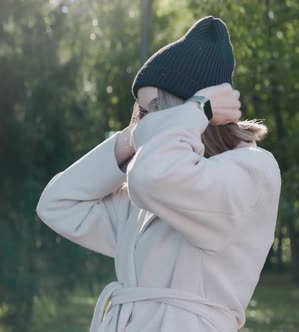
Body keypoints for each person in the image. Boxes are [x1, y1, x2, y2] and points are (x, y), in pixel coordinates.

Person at [36, 16, 281, 332]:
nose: (147, 122)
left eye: (156, 107)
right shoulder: (140, 201)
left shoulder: (252, 169)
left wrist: (198, 110)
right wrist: (128, 139)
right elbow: (57, 204)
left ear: (193, 104)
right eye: (142, 113)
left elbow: (154, 178)